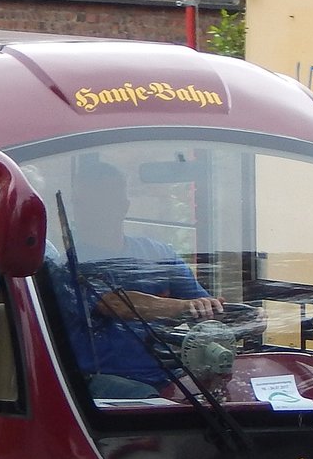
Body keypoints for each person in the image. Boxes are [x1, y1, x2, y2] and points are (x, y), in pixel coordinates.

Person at [56, 160, 222, 398]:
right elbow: (116, 304)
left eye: (103, 201)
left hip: (169, 377)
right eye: (85, 204)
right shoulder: (68, 266)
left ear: (123, 206)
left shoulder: (158, 255)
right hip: (102, 387)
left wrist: (242, 317)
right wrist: (183, 307)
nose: (92, 211)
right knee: (146, 398)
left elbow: (204, 311)